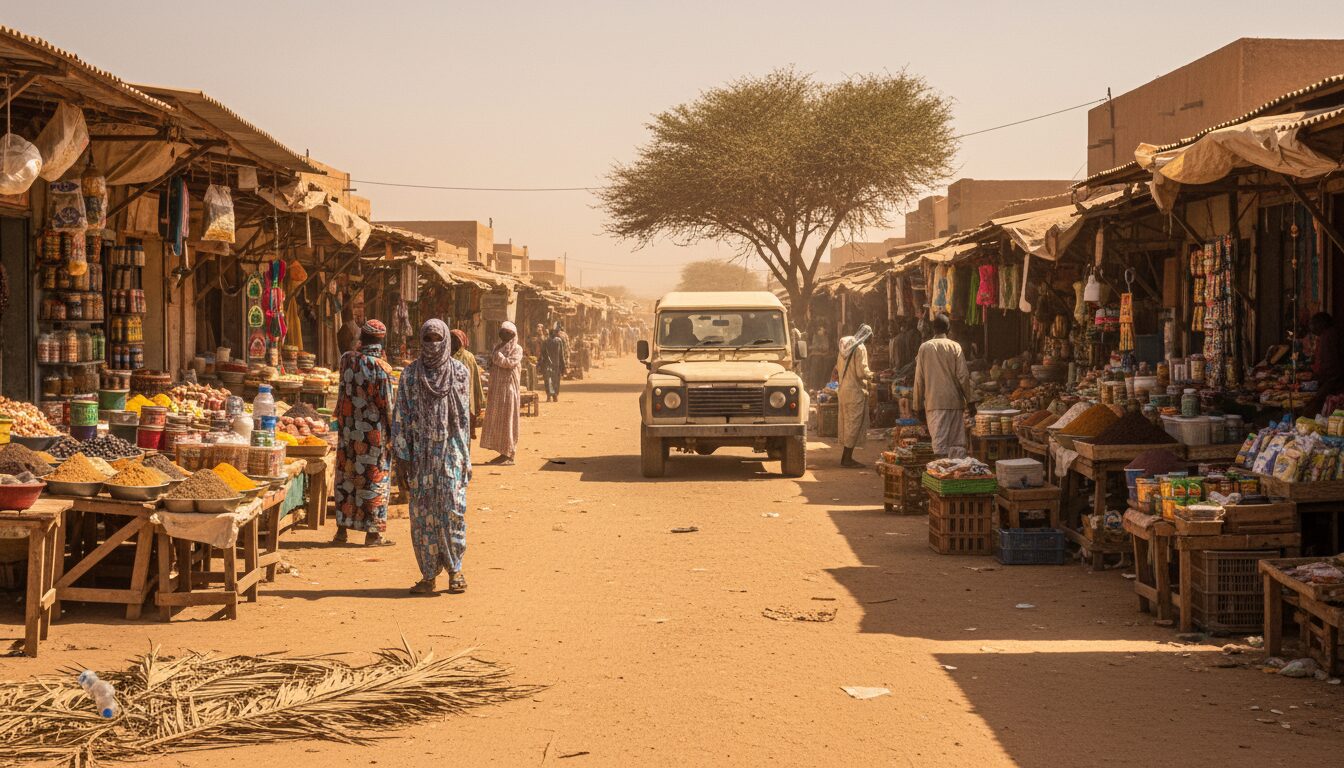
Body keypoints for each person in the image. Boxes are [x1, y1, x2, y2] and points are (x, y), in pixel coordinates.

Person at [393, 319, 472, 595]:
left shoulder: (460, 372)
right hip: (421, 457)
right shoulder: (410, 375)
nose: (433, 344)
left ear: (446, 340)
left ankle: (455, 570)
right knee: (422, 516)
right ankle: (428, 575)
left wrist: (465, 458)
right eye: (427, 338)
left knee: (452, 510)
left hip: (451, 454)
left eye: (438, 338)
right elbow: (401, 417)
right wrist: (402, 459)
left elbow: (463, 420)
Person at [332, 320, 395, 546]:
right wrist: (394, 434)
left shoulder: (346, 360)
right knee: (373, 479)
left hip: (348, 431)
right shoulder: (382, 368)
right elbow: (388, 407)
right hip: (373, 436)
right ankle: (373, 534)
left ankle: (342, 530)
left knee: (347, 477)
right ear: (381, 340)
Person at [913, 313, 976, 459]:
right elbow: (963, 376)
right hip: (955, 403)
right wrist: (970, 401)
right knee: (957, 447)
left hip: (934, 404)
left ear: (933, 328)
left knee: (940, 448)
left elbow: (919, 380)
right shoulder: (955, 346)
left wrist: (917, 406)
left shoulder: (924, 348)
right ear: (948, 328)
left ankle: (942, 472)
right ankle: (955, 472)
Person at [481, 321, 523, 465]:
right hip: (497, 390)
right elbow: (492, 362)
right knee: (498, 421)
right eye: (503, 333)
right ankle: (502, 452)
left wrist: (498, 357)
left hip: (509, 390)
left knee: (508, 420)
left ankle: (509, 453)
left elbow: (509, 363)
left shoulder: (517, 349)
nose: (505, 336)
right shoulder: (497, 347)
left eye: (508, 333)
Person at [835, 324, 875, 468]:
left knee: (847, 423)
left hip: (843, 390)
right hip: (855, 391)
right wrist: (873, 375)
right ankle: (847, 459)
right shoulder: (860, 348)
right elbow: (861, 372)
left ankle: (845, 457)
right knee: (853, 424)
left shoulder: (845, 347)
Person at [451, 329, 484, 440]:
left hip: (466, 397)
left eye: (456, 339)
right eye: (451, 339)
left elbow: (475, 379)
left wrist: (478, 398)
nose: (453, 342)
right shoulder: (444, 356)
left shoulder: (469, 357)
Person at [1310, 313, 1344, 414]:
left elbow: (1330, 366)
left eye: (1313, 324)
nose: (1311, 328)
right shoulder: (1333, 333)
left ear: (1319, 324)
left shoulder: (1328, 336)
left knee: (1313, 409)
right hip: (1334, 381)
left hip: (1334, 383)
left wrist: (1318, 378)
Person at [539, 325, 568, 402]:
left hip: (547, 364)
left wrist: (540, 364)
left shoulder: (545, 341)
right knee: (555, 380)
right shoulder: (558, 341)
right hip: (556, 365)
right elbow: (561, 355)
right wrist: (564, 366)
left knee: (548, 380)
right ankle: (555, 395)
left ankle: (549, 395)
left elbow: (542, 354)